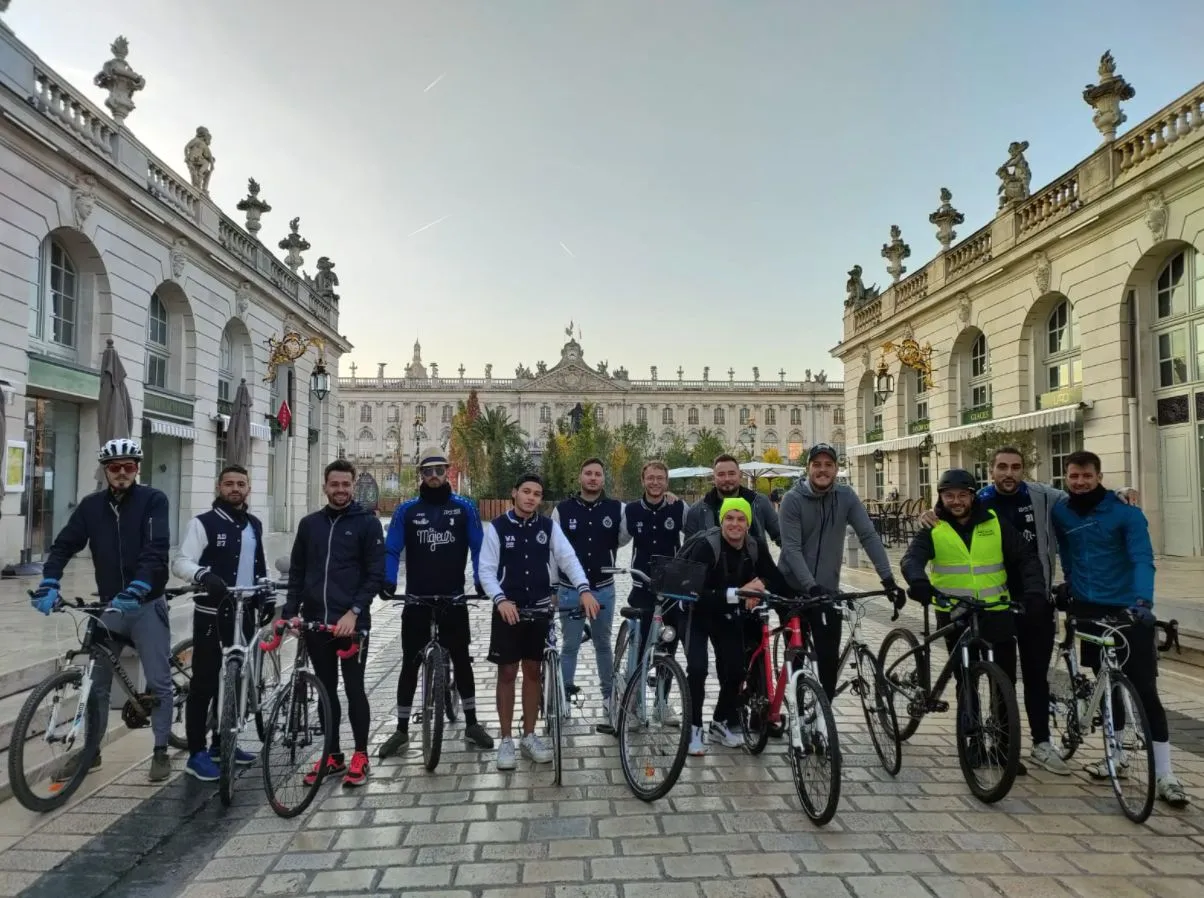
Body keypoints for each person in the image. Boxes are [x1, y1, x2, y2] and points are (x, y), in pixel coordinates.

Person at [916, 447, 1139, 775]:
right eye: (1002, 467)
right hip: (994, 603)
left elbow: (1082, 496)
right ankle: (1001, 745)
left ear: (1024, 470)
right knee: (997, 678)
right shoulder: (981, 501)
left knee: (1036, 677)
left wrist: (1119, 493)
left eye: (1015, 467)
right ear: (990, 470)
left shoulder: (1043, 496)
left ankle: (1041, 743)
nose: (1009, 473)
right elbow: (948, 512)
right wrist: (928, 513)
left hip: (1036, 600)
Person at [30, 438, 174, 783]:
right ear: (105, 471)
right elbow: (65, 545)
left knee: (158, 681)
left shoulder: (154, 500)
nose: (122, 473)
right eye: (114, 468)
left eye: (128, 467)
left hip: (145, 602)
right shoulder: (91, 506)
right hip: (110, 604)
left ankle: (160, 750)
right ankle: (90, 753)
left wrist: (139, 586)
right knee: (96, 685)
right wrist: (50, 581)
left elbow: (156, 550)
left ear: (137, 468)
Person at [1051, 450, 1189, 807]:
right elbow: (1065, 549)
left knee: (1145, 690)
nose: (1080, 482)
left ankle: (1165, 774)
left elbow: (1142, 558)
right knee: (1105, 682)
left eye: (1087, 476)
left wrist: (1143, 602)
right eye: (1073, 476)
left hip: (1128, 608)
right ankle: (1116, 757)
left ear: (1099, 476)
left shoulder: (1125, 513)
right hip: (1086, 607)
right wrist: (1068, 581)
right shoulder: (1061, 511)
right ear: (1066, 477)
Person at [901, 468, 1046, 769]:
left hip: (996, 611)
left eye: (962, 495)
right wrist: (917, 581)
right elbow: (912, 558)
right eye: (949, 495)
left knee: (1002, 681)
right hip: (955, 612)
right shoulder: (933, 527)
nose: (956, 501)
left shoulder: (994, 522)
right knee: (965, 679)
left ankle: (1005, 748)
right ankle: (974, 742)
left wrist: (1033, 591)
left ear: (972, 496)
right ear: (940, 497)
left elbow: (1025, 557)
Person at [379, 447, 493, 757]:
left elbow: (480, 548)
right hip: (417, 598)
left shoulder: (464, 508)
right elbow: (391, 549)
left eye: (439, 470)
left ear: (448, 472)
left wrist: (482, 582)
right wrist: (388, 580)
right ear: (420, 474)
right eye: (427, 471)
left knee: (461, 658)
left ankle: (471, 723)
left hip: (453, 597)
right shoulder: (407, 511)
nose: (433, 477)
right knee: (409, 663)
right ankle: (401, 730)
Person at [479, 473, 598, 770]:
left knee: (533, 672)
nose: (531, 497)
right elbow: (486, 570)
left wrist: (583, 588)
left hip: (540, 610)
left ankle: (529, 735)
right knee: (507, 673)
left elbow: (568, 558)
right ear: (514, 493)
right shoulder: (497, 528)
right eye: (526, 491)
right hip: (508, 610)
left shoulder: (548, 527)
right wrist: (500, 599)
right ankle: (506, 739)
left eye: (537, 494)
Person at [283, 459, 384, 788]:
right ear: (324, 486)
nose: (340, 490)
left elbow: (374, 575)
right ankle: (332, 754)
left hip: (351, 624)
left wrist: (354, 611)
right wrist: (290, 612)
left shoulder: (367, 524)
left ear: (353, 487)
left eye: (346, 485)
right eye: (334, 485)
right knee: (326, 691)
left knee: (354, 688)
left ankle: (360, 753)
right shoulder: (310, 524)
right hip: (316, 623)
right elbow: (297, 572)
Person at [777, 443, 905, 698]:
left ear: (836, 469)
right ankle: (797, 715)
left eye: (828, 465)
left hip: (827, 588)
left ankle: (824, 721)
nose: (822, 470)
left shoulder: (845, 497)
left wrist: (888, 579)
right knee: (797, 655)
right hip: (793, 588)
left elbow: (868, 535)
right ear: (808, 468)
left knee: (827, 659)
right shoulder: (792, 500)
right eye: (817, 465)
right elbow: (791, 550)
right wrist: (810, 586)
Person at [171, 464, 266, 781]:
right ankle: (196, 753)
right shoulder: (203, 524)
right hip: (212, 614)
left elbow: (258, 565)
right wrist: (203, 575)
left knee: (237, 681)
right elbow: (181, 561)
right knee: (205, 683)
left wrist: (264, 596)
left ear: (248, 489)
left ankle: (224, 743)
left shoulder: (254, 524)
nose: (235, 488)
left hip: (245, 612)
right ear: (218, 487)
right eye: (229, 483)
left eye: (241, 483)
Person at [678, 497, 792, 755]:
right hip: (696, 612)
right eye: (729, 518)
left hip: (726, 615)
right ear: (721, 521)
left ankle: (719, 722)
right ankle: (694, 726)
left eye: (741, 519)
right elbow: (695, 591)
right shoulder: (707, 546)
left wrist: (769, 589)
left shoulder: (755, 545)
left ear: (748, 523)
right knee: (697, 669)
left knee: (737, 669)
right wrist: (738, 593)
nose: (735, 524)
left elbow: (775, 579)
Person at [552, 457, 624, 719]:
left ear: (603, 479)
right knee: (570, 645)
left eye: (598, 474)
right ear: (580, 477)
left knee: (603, 644)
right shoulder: (563, 510)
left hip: (603, 588)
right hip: (570, 589)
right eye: (588, 473)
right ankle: (563, 697)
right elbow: (554, 551)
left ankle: (608, 697)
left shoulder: (617, 509)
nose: (593, 478)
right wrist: (552, 588)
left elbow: (624, 536)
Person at [619, 460, 689, 726]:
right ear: (643, 480)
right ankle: (634, 706)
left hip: (670, 590)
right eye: (651, 478)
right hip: (642, 587)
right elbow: (619, 539)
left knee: (667, 648)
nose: (656, 482)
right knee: (638, 649)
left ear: (667, 481)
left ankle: (662, 702)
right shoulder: (632, 510)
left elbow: (693, 534)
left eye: (660, 478)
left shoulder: (678, 507)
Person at [685, 454, 780, 547]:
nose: (727, 479)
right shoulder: (697, 510)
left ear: (740, 475)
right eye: (721, 474)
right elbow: (688, 551)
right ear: (714, 478)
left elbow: (782, 537)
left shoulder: (759, 502)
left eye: (731, 473)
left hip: (754, 561)